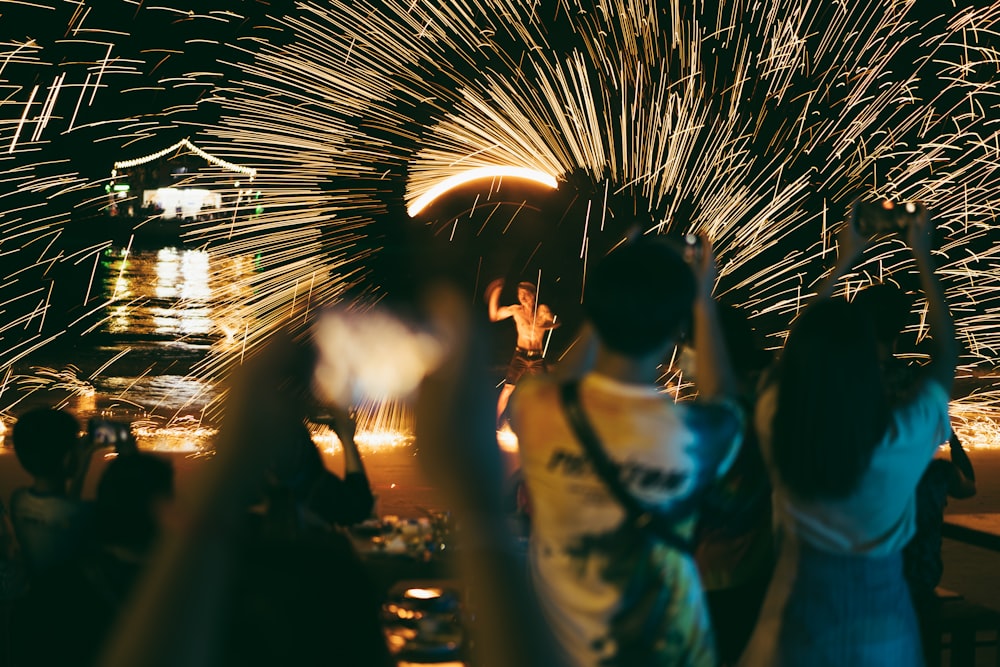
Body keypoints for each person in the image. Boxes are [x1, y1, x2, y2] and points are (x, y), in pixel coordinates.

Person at [511, 235, 744, 666]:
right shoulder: (692, 434)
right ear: (678, 329)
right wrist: (702, 303)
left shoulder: (535, 409)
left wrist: (611, 302)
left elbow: (559, 383)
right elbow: (723, 403)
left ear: (595, 315)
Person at [740, 202, 956, 666]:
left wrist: (845, 257)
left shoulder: (778, 420)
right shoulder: (902, 436)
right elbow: (946, 358)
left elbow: (793, 356)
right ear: (868, 364)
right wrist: (923, 257)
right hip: (883, 637)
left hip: (790, 631)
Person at [904, 432, 976, 664]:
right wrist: (954, 441)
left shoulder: (872, 470)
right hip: (922, 576)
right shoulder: (940, 473)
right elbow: (969, 486)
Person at [9, 408, 96, 574]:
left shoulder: (18, 500)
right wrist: (131, 457)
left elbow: (62, 508)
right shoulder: (84, 514)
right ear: (68, 459)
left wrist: (81, 466)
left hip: (37, 592)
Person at [486, 278, 559, 426]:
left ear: (533, 295)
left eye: (525, 294)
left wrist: (545, 322)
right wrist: (495, 293)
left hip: (537, 357)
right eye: (520, 295)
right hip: (520, 355)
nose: (522, 298)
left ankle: (545, 424)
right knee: (508, 388)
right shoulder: (516, 310)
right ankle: (495, 422)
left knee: (544, 390)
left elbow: (555, 323)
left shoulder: (541, 310)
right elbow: (494, 316)